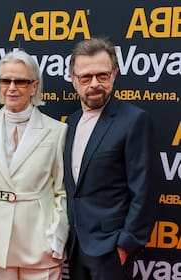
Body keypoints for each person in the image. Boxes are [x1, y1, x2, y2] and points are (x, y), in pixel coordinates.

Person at [64, 37, 159, 279]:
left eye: (102, 76)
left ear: (114, 75)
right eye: (85, 77)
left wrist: (126, 245)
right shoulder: (72, 122)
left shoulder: (134, 120)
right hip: (75, 248)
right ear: (73, 80)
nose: (94, 84)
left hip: (110, 251)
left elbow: (145, 191)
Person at [0, 50, 68, 279]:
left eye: (21, 81)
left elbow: (62, 190)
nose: (12, 87)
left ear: (34, 86)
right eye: (6, 80)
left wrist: (56, 238)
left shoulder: (56, 131)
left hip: (40, 245)